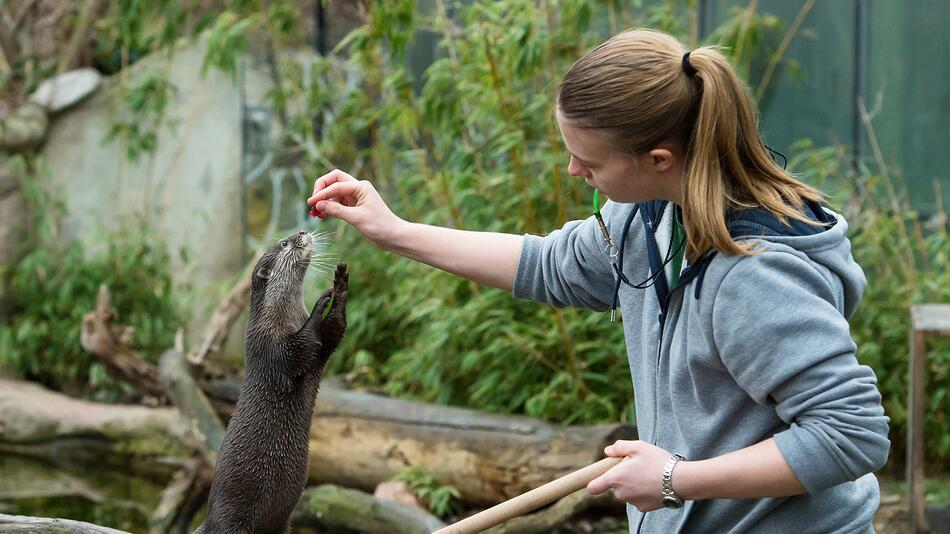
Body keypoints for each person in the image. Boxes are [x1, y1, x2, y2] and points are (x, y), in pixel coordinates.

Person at [306, 28, 889, 533]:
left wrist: (675, 480)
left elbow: (850, 435)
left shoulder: (755, 274)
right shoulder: (651, 217)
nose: (573, 170)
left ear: (659, 159)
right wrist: (394, 231)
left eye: (590, 160)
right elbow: (547, 266)